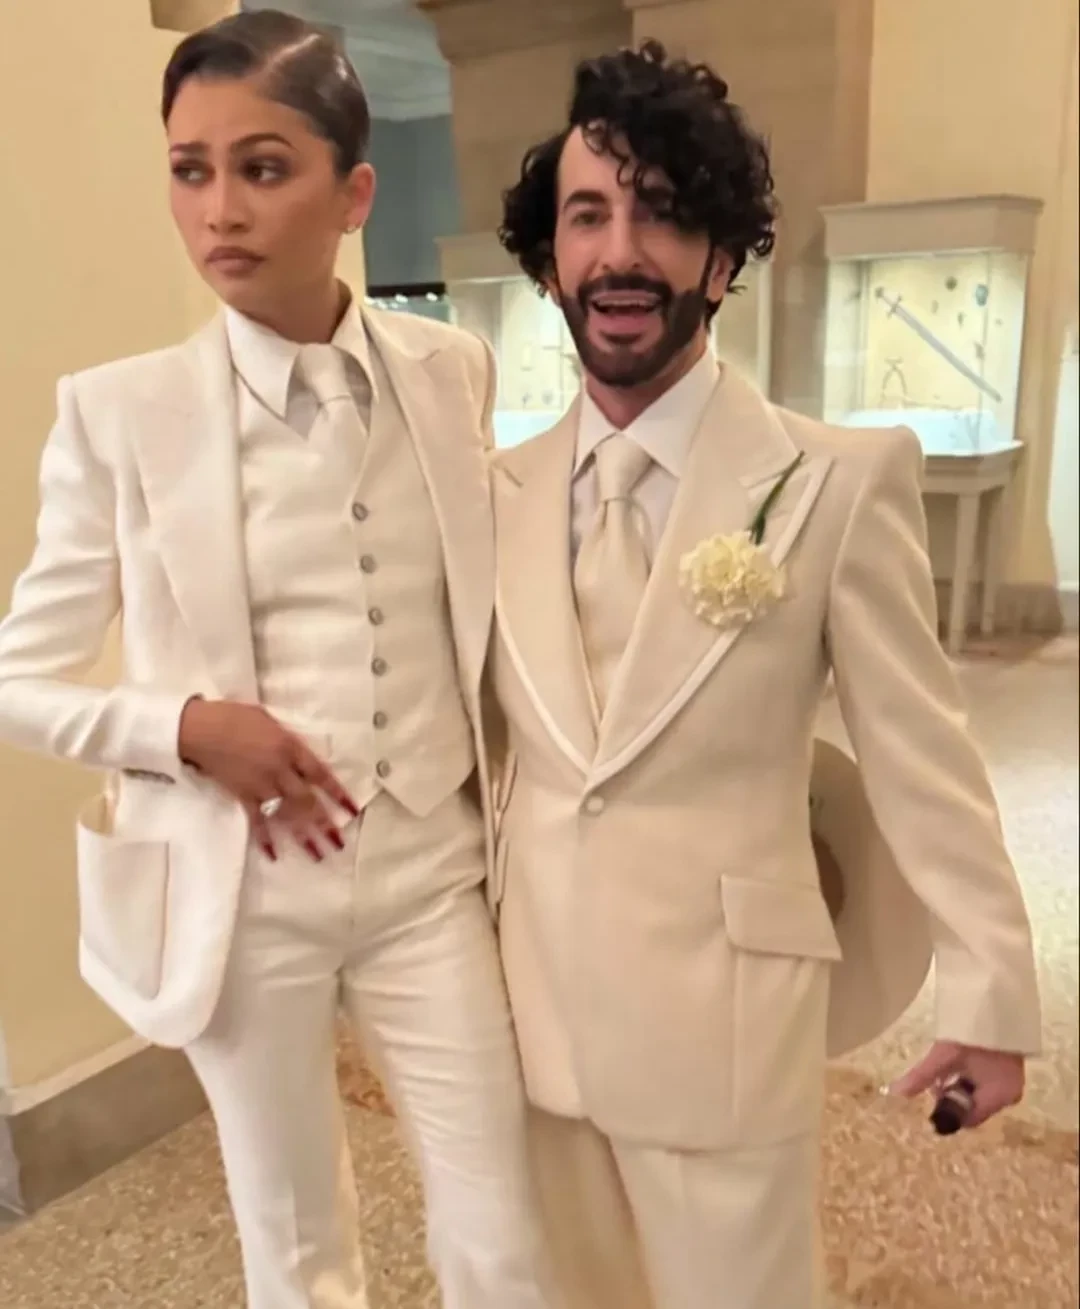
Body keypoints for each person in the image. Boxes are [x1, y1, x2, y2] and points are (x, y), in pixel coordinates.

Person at [0, 12, 555, 1309]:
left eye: (263, 167)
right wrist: (186, 729)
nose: (220, 209)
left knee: (502, 1224)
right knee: (295, 1243)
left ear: (354, 193)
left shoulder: (451, 370)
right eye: (189, 169)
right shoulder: (117, 414)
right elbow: (17, 680)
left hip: (429, 871)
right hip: (241, 897)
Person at [485, 40, 1042, 1309]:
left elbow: (924, 755)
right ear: (549, 259)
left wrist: (993, 984)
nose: (622, 252)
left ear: (724, 258)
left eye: (664, 213)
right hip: (530, 1015)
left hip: (724, 1022)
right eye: (588, 215)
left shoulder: (833, 482)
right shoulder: (493, 492)